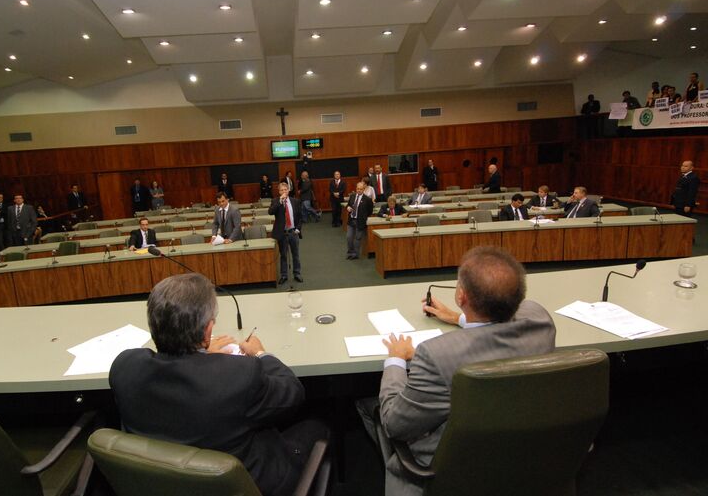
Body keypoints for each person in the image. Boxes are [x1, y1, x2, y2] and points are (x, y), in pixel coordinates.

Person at [356, 246, 556, 496]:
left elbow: (395, 425)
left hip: (452, 469)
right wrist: (459, 318)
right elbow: (512, 316)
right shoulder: (541, 319)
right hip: (524, 458)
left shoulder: (435, 355)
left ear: (461, 296)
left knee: (369, 406)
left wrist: (396, 359)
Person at [109, 273, 327, 496]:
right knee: (318, 426)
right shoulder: (238, 375)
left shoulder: (124, 367)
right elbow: (292, 393)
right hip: (246, 486)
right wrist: (261, 353)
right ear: (208, 331)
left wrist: (199, 354)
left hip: (159, 485)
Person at [269, 182, 303, 284]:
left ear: (288, 190)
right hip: (282, 233)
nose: (284, 191)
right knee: (283, 255)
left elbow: (300, 216)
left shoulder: (295, 201)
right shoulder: (275, 201)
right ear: (279, 192)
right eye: (281, 190)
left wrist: (298, 229)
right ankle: (284, 275)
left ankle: (297, 273)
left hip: (293, 232)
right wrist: (280, 201)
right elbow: (270, 212)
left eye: (285, 189)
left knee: (295, 254)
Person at [346, 182, 373, 260]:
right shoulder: (352, 196)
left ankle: (355, 254)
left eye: (361, 189)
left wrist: (363, 217)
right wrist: (348, 208)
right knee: (349, 237)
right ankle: (350, 252)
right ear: (356, 188)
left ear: (363, 189)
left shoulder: (367, 199)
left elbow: (370, 211)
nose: (359, 190)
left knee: (357, 239)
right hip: (351, 220)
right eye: (358, 189)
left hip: (360, 221)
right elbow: (348, 205)